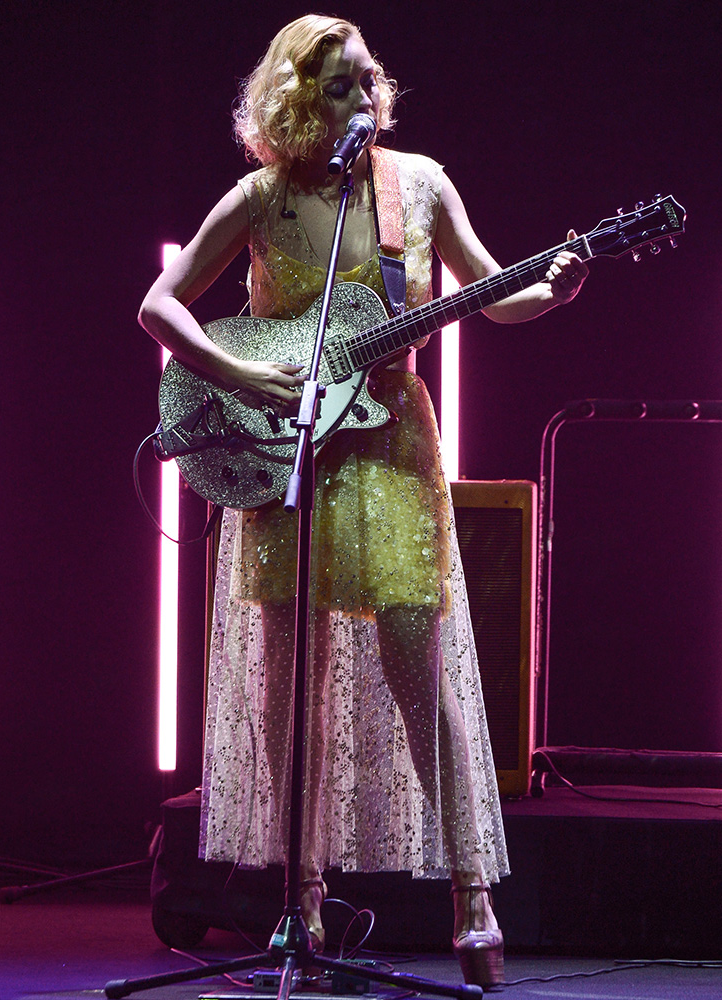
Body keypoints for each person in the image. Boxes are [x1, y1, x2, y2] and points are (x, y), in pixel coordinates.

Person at [139, 14, 588, 989]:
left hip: (389, 447)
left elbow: (491, 291)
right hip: (288, 454)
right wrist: (241, 373)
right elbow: (160, 304)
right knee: (288, 687)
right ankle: (299, 900)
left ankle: (473, 895)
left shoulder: (417, 186)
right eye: (338, 85)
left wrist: (549, 290)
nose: (361, 100)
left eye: (367, 81)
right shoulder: (261, 197)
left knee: (419, 666)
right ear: (297, 99)